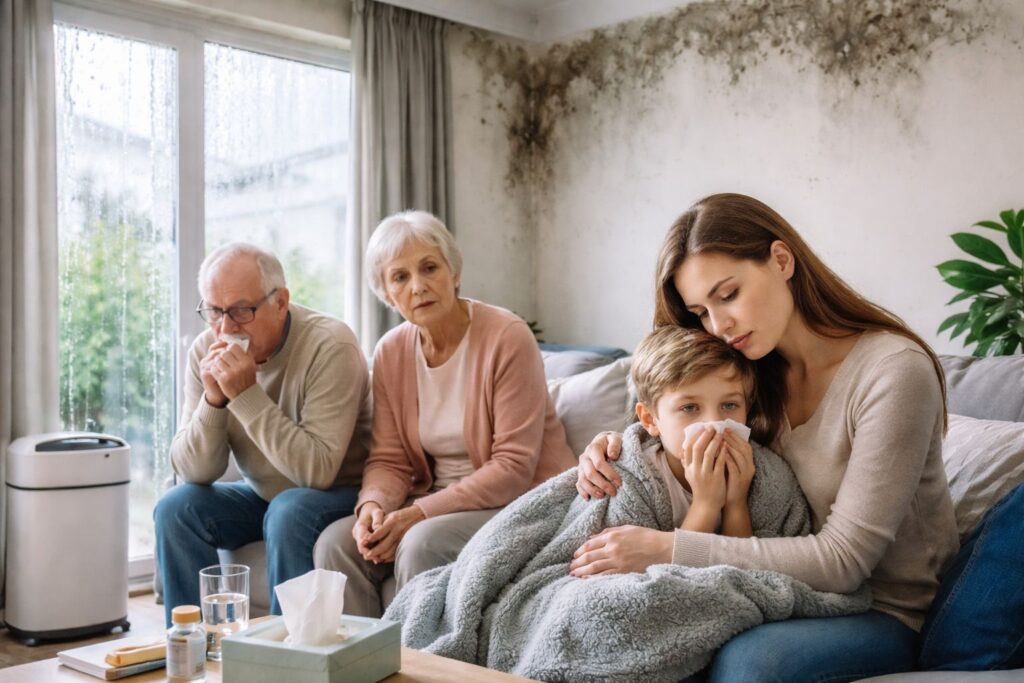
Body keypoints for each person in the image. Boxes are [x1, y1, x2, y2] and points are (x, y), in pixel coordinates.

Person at [571, 193, 959, 682]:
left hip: (886, 609)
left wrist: (666, 548)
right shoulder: (753, 373)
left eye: (728, 294)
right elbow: (672, 405)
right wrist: (616, 447)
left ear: (780, 260)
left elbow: (844, 561)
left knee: (752, 663)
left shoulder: (893, 372)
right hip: (772, 590)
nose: (719, 324)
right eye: (701, 312)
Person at [313, 210, 576, 618]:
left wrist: (417, 514)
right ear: (386, 293)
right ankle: (364, 668)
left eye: (430, 268)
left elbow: (513, 467)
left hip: (523, 502)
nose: (418, 286)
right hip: (438, 503)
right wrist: (373, 508)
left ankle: (425, 668)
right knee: (335, 544)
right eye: (400, 277)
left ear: (454, 272)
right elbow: (389, 457)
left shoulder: (507, 337)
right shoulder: (391, 352)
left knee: (422, 542)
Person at [154, 243, 371, 625]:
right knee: (177, 507)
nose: (225, 328)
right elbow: (195, 471)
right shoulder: (205, 349)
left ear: (281, 302)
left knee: (289, 509)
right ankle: (194, 645)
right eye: (214, 311)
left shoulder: (330, 345)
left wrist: (245, 395)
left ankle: (285, 657)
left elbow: (316, 471)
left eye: (240, 311)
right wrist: (214, 401)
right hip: (265, 494)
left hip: (340, 491)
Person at [614, 325, 761, 543]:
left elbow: (746, 568)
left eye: (729, 405)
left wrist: (736, 504)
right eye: (690, 408)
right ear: (650, 419)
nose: (714, 423)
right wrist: (706, 504)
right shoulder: (632, 481)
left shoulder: (761, 473)